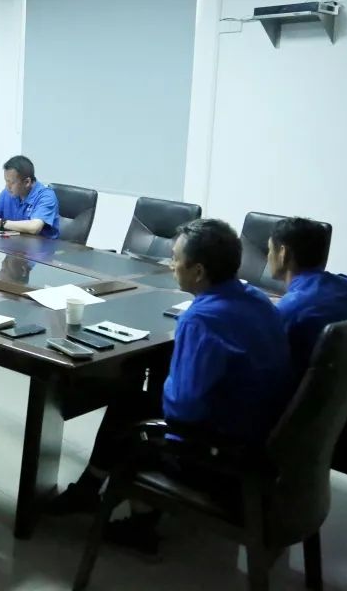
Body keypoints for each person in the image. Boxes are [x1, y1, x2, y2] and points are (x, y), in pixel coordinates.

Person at [42, 219, 292, 555]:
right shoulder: (257, 299)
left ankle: (140, 524)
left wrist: (173, 374)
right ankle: (89, 489)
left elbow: (182, 410)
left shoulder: (201, 318)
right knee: (131, 401)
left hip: (224, 457)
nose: (171, 265)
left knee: (131, 420)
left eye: (175, 258)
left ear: (199, 271)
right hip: (265, 440)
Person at [268, 217, 347, 417]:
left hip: (311, 415)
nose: (268, 256)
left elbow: (266, 367)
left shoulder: (293, 309)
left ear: (283, 253)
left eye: (269, 249)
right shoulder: (346, 284)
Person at [0, 155, 60, 238]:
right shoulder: (9, 192)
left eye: (11, 182)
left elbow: (34, 227)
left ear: (27, 182)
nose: (7, 186)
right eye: (6, 181)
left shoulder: (46, 196)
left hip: (40, 251)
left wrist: (1, 223)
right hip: (15, 246)